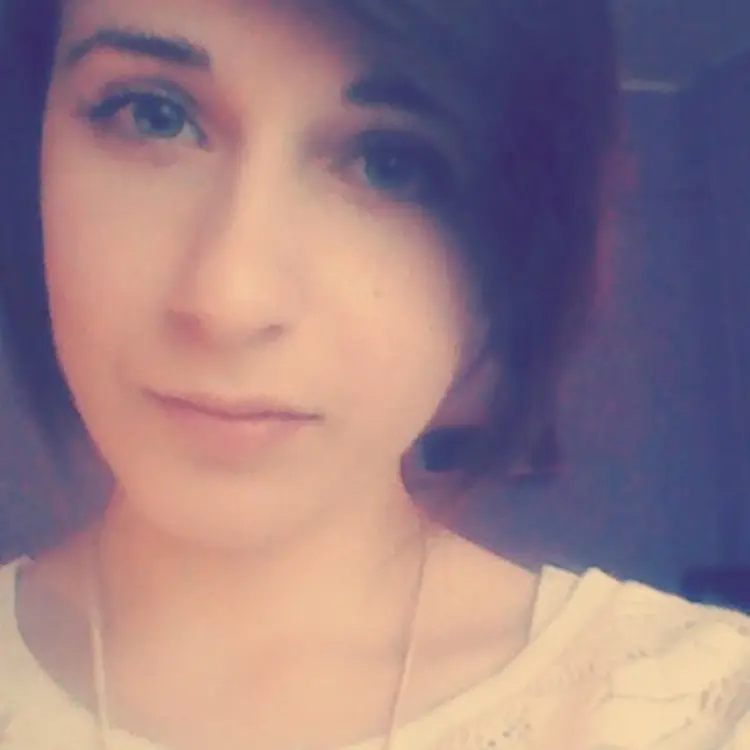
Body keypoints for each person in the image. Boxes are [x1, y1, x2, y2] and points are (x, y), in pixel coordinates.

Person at [0, 1, 747, 748]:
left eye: (390, 162)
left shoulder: (701, 713)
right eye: (153, 116)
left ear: (514, 250)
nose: (229, 301)